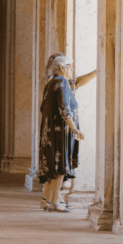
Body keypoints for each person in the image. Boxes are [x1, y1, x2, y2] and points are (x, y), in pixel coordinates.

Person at [38, 54, 84, 212]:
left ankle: (47, 200)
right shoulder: (62, 82)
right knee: (59, 166)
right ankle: (56, 201)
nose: (72, 69)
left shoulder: (52, 82)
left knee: (52, 165)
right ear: (62, 68)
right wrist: (74, 128)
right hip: (59, 132)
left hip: (50, 130)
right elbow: (64, 109)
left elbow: (43, 108)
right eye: (70, 66)